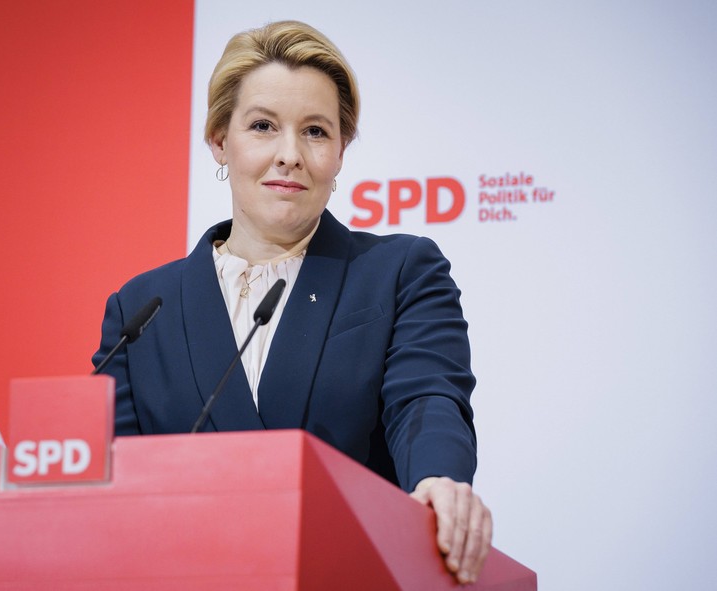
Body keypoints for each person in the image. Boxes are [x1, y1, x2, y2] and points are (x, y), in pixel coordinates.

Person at [93, 20, 492, 584]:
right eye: (262, 126)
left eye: (315, 131)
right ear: (219, 140)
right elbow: (108, 486)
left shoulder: (399, 271)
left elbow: (426, 398)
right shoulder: (141, 308)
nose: (290, 156)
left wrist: (437, 479)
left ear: (340, 151)